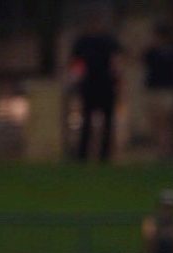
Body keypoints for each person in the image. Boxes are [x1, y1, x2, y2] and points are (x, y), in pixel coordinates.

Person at [68, 6, 122, 162]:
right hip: (88, 86)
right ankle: (83, 155)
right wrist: (75, 79)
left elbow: (116, 62)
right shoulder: (82, 42)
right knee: (86, 121)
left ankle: (104, 155)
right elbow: (76, 63)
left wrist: (117, 81)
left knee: (107, 122)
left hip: (106, 85)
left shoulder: (109, 41)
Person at [142, 21, 173, 160]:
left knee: (165, 121)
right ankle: (158, 150)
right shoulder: (151, 52)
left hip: (169, 89)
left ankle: (166, 151)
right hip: (153, 89)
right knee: (155, 122)